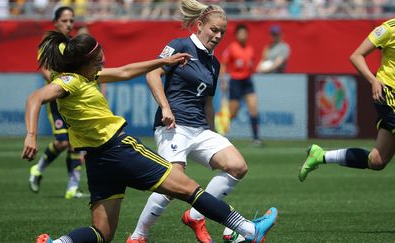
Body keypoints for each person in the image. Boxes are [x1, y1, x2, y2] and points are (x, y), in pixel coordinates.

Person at [22, 28, 278, 243]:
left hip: (98, 162)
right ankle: (249, 231)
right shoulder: (70, 81)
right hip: (119, 149)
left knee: (102, 233)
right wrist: (32, 135)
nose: (102, 63)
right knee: (189, 188)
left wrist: (163, 62)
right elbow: (35, 97)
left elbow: (125, 71)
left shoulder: (86, 75)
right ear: (84, 63)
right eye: (98, 60)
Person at [127, 1, 274, 242]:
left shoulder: (214, 63)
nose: (217, 36)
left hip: (199, 129)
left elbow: (207, 102)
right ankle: (138, 236)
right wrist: (165, 107)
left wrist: (215, 135)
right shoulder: (179, 45)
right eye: (213, 30)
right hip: (173, 127)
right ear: (199, 26)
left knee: (237, 166)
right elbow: (152, 73)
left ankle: (196, 215)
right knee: (171, 186)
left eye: (222, 33)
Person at [299, 18, 395, 181]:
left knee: (377, 160)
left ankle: (320, 156)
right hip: (388, 93)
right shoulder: (389, 29)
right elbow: (356, 56)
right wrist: (373, 80)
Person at [28, 6, 86, 199]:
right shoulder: (49, 44)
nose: (69, 24)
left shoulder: (72, 44)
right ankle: (38, 168)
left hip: (72, 98)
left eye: (71, 21)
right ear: (55, 22)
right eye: (64, 20)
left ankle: (73, 187)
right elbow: (45, 68)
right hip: (57, 98)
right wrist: (58, 84)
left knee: (75, 143)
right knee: (62, 142)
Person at [220, 23, 262, 146]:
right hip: (236, 82)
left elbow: (250, 65)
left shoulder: (250, 49)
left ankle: (256, 138)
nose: (243, 35)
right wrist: (223, 80)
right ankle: (221, 134)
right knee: (233, 112)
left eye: (245, 33)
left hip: (248, 81)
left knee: (253, 109)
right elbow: (223, 64)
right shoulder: (232, 48)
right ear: (236, 35)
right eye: (240, 33)